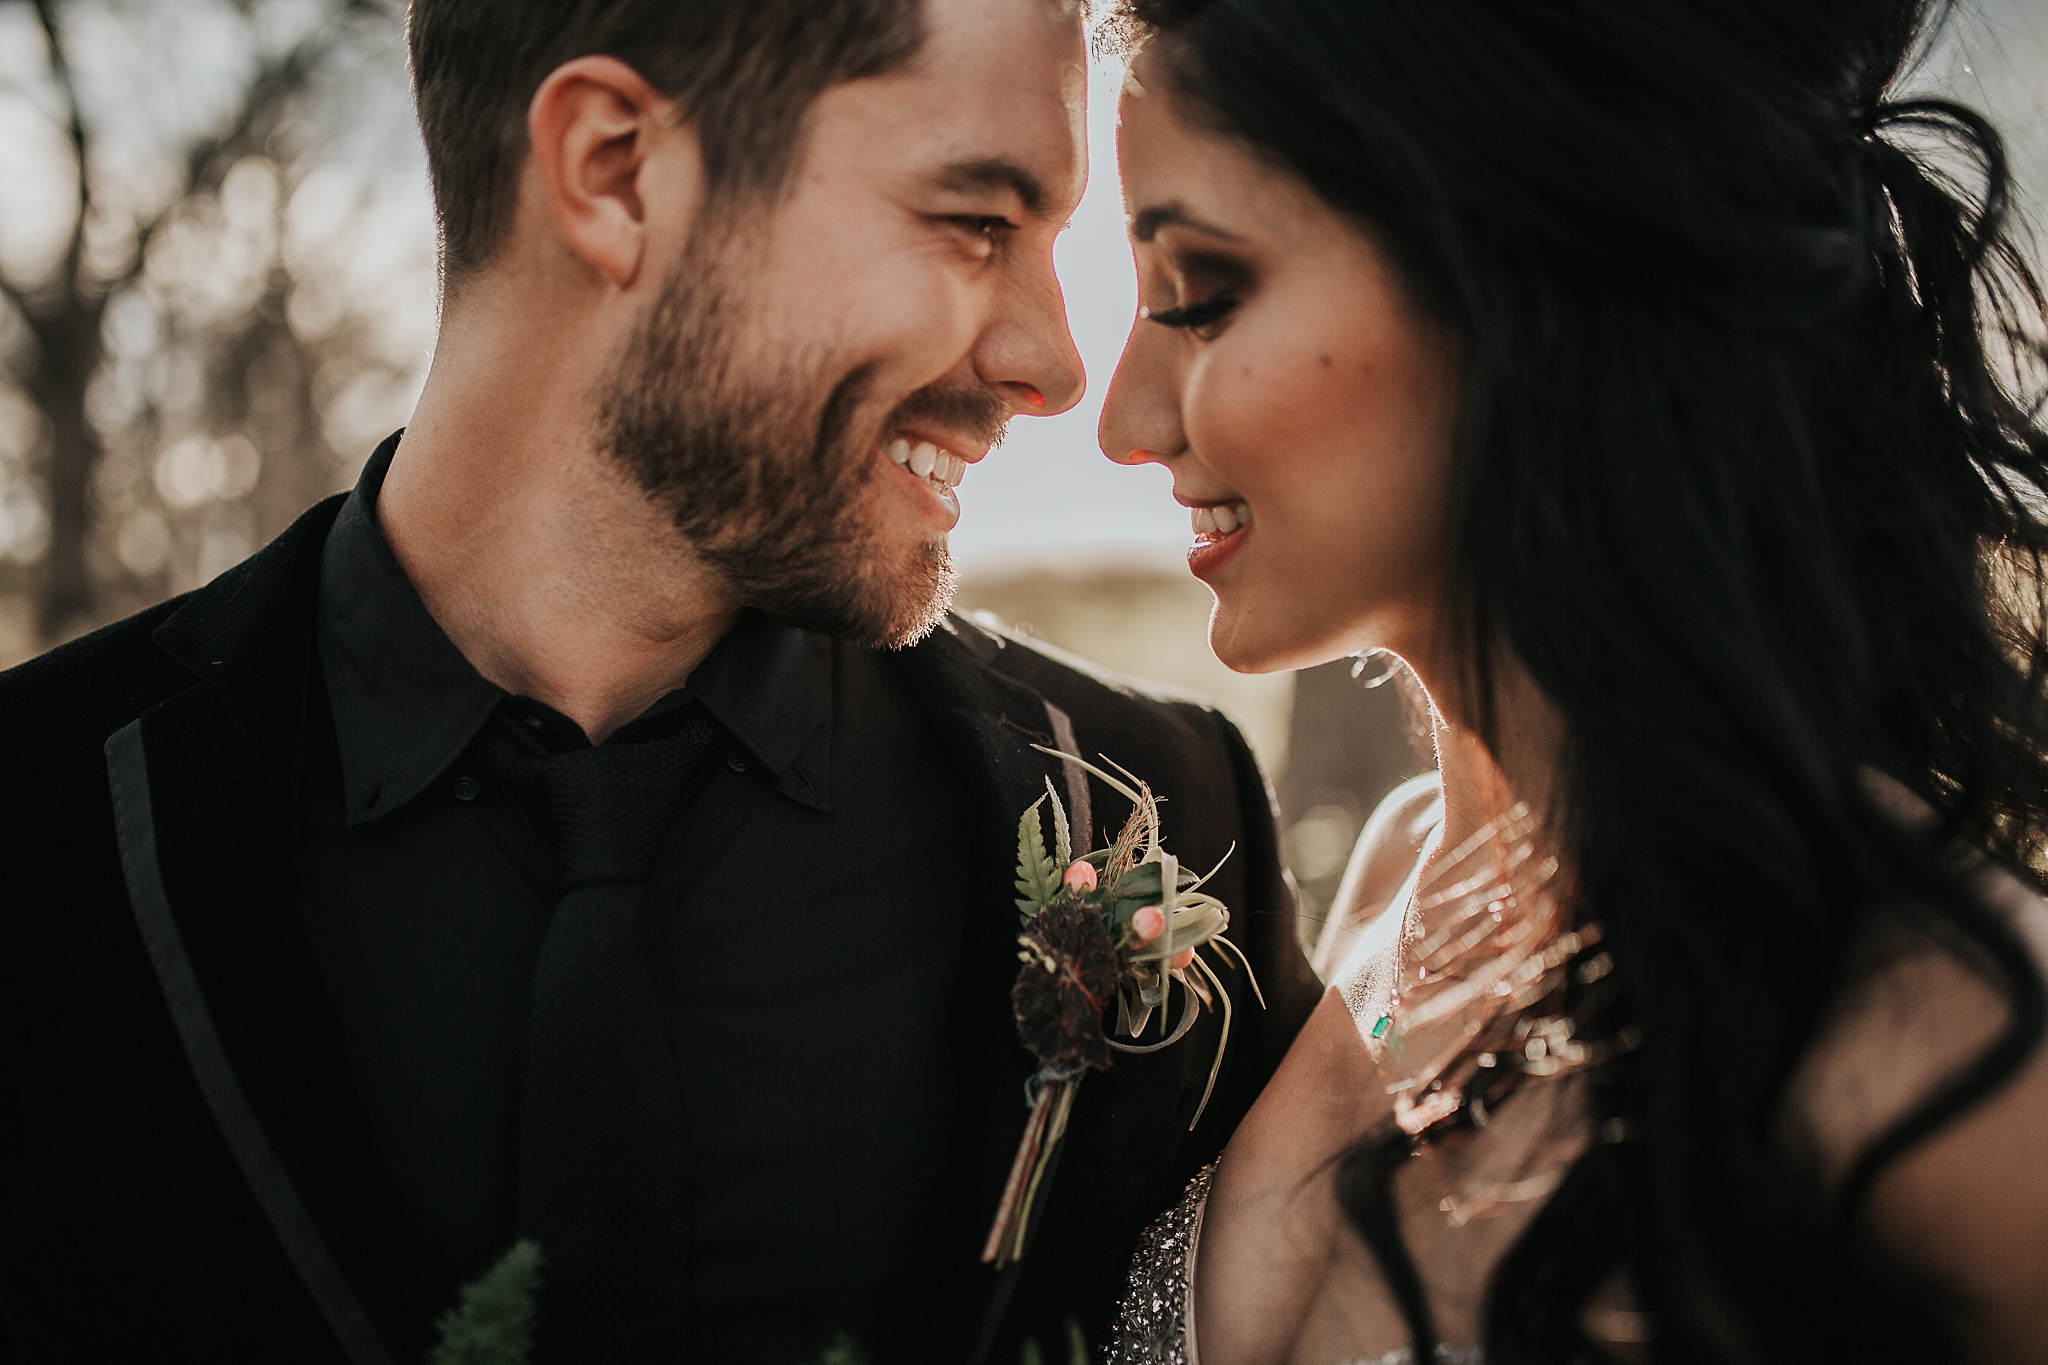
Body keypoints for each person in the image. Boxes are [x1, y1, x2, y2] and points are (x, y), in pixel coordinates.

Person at [0, 2, 1321, 1362]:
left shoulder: (1165, 819)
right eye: (977, 222)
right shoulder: (30, 823)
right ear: (616, 171)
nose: (1052, 365)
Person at [1092, 0, 2048, 1361]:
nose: (1122, 422)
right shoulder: (1388, 884)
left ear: (1527, 272)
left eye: (1199, 294)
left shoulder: (1937, 1035)